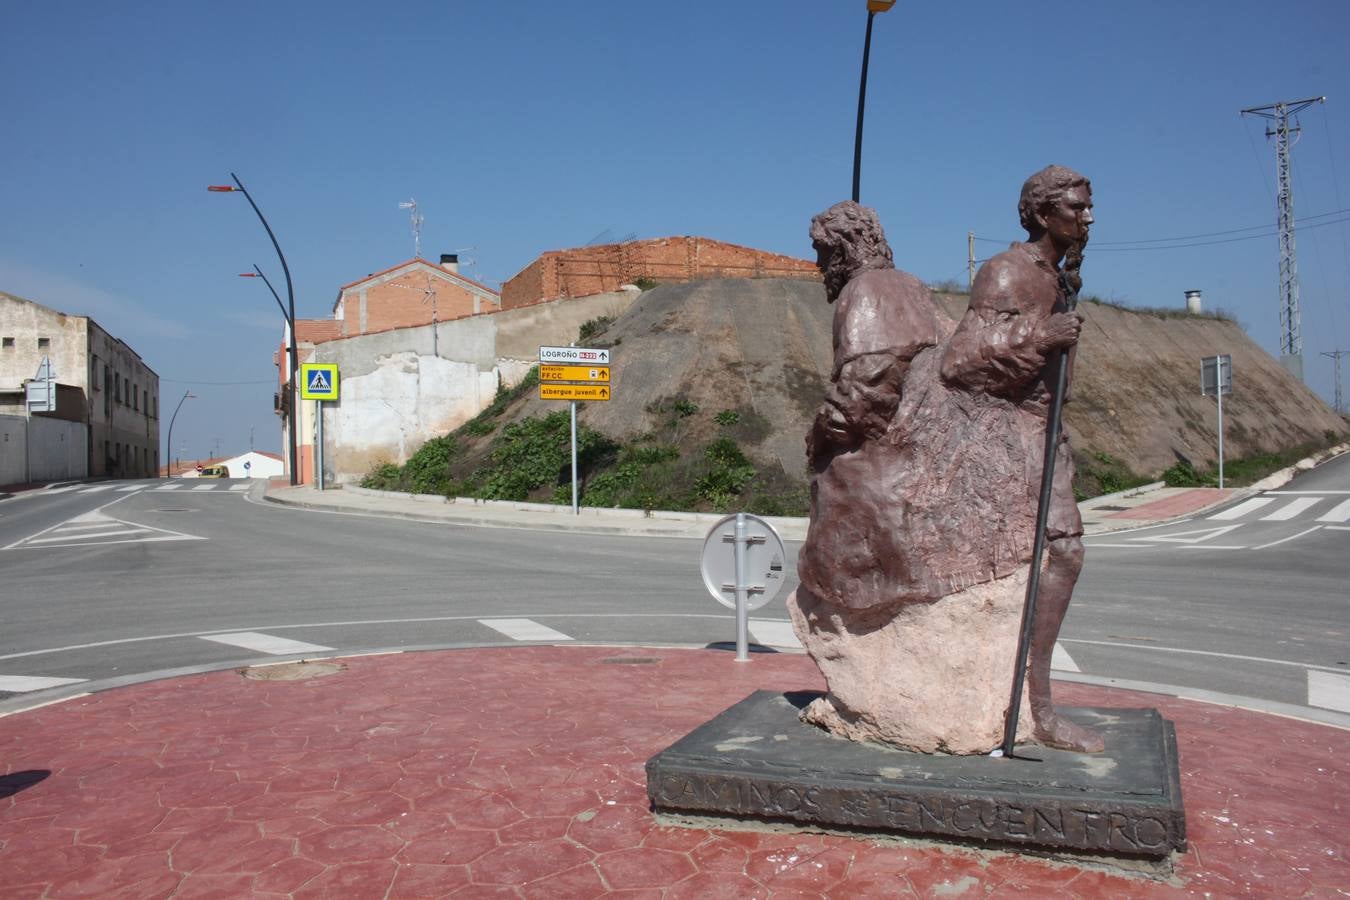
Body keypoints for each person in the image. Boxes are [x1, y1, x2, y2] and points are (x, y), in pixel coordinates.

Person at [940, 164, 1101, 753]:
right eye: (1075, 207)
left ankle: (1034, 706)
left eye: (1089, 206)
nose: (1087, 216)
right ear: (1040, 213)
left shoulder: (1056, 278)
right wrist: (1040, 339)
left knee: (1063, 555)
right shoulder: (1006, 273)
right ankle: (1034, 710)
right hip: (1012, 435)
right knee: (1064, 551)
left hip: (1047, 434)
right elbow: (960, 363)